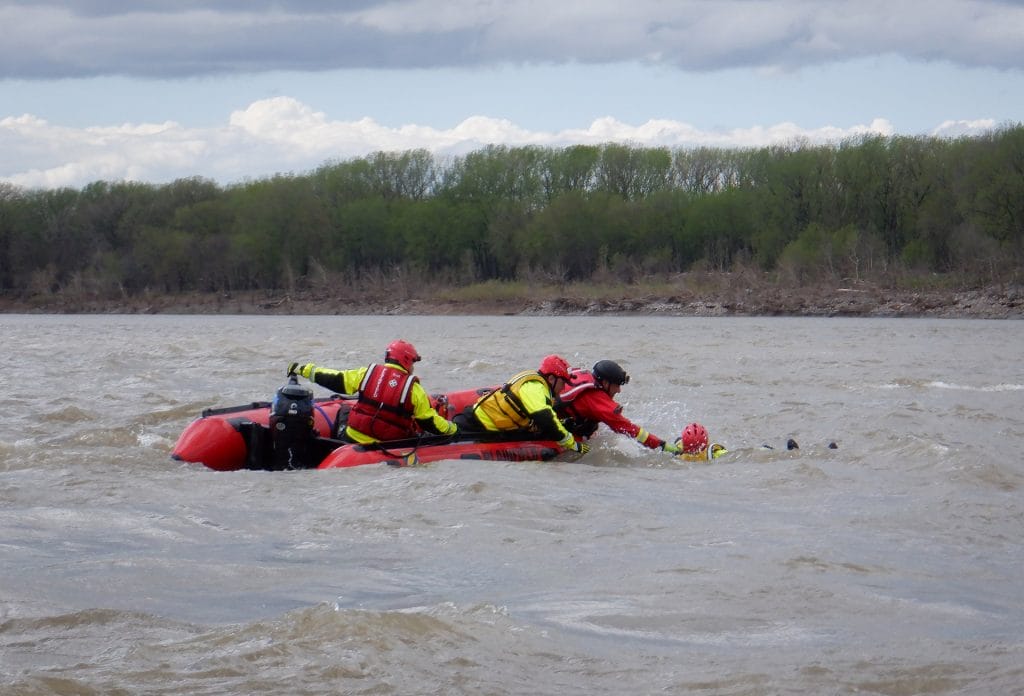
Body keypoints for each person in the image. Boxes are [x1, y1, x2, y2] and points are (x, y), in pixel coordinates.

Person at [287, 339, 458, 445]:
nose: (413, 367)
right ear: (406, 360)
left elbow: (335, 378)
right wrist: (452, 429)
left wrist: (305, 370)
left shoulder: (367, 373)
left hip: (351, 436)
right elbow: (430, 422)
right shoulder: (413, 389)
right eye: (412, 362)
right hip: (388, 443)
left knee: (344, 409)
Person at [453, 354, 589, 456]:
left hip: (486, 422)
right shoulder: (535, 388)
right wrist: (573, 444)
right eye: (563, 382)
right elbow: (545, 419)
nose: (563, 387)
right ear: (551, 379)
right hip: (477, 426)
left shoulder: (537, 383)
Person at [556, 359, 683, 454]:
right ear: (605, 383)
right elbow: (630, 429)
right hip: (550, 428)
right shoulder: (597, 400)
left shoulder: (586, 379)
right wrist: (664, 446)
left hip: (558, 417)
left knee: (591, 428)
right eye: (616, 385)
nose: (619, 390)